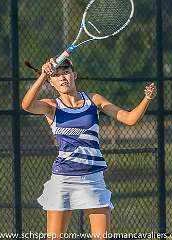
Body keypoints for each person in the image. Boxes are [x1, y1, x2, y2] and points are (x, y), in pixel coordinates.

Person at [21, 57, 156, 239]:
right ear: (51, 82)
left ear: (74, 75)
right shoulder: (52, 106)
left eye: (66, 72)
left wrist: (147, 98)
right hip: (63, 179)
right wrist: (42, 75)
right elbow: (26, 105)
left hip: (93, 179)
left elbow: (129, 119)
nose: (62, 78)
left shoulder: (94, 100)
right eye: (56, 75)